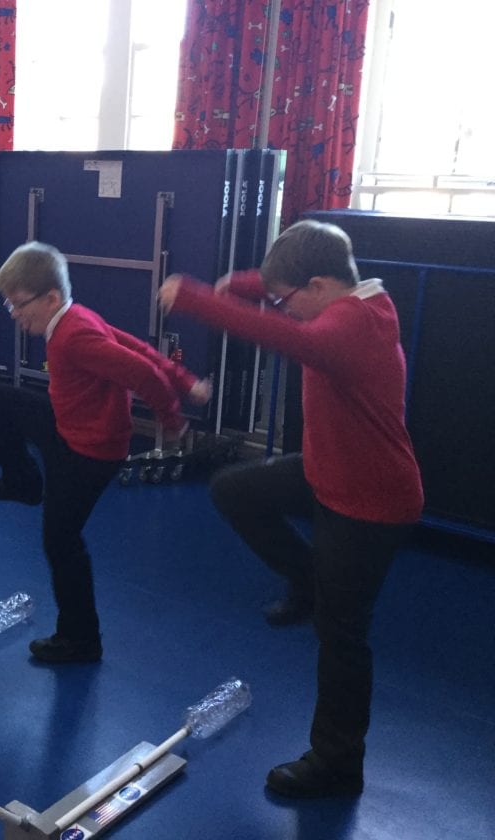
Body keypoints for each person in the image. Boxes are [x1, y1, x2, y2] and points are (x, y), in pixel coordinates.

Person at [159, 219, 424, 800]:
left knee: (342, 636)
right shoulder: (347, 297)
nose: (284, 308)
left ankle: (337, 764)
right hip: (328, 468)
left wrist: (200, 299)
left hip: (371, 499)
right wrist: (248, 283)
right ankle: (308, 580)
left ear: (321, 286)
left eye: (286, 298)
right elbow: (291, 293)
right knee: (235, 491)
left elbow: (286, 337)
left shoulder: (352, 325)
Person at [0, 241, 208, 663]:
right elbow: (136, 347)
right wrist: (186, 380)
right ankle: (22, 481)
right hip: (68, 425)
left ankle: (80, 639)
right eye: (9, 305)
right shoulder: (76, 317)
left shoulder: (74, 335)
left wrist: (172, 420)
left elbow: (142, 372)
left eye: (18, 304)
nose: (14, 314)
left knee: (60, 541)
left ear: (51, 298)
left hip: (90, 451)